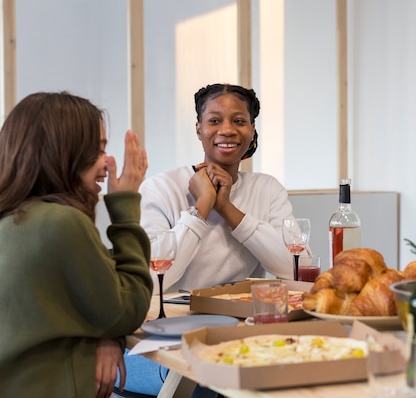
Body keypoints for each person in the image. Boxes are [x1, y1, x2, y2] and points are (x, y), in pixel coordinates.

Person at [121, 83, 294, 396]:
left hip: (236, 336)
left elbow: (293, 267)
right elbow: (155, 278)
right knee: (206, 376)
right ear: (199, 129)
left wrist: (227, 208)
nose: (226, 130)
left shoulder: (267, 189)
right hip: (159, 342)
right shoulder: (162, 188)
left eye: (239, 121)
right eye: (214, 121)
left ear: (252, 130)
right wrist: (202, 206)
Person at [0, 92, 153, 398]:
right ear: (64, 151)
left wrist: (107, 337)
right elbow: (126, 309)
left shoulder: (12, 219)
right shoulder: (62, 223)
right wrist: (125, 207)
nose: (108, 165)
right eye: (98, 150)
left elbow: (94, 298)